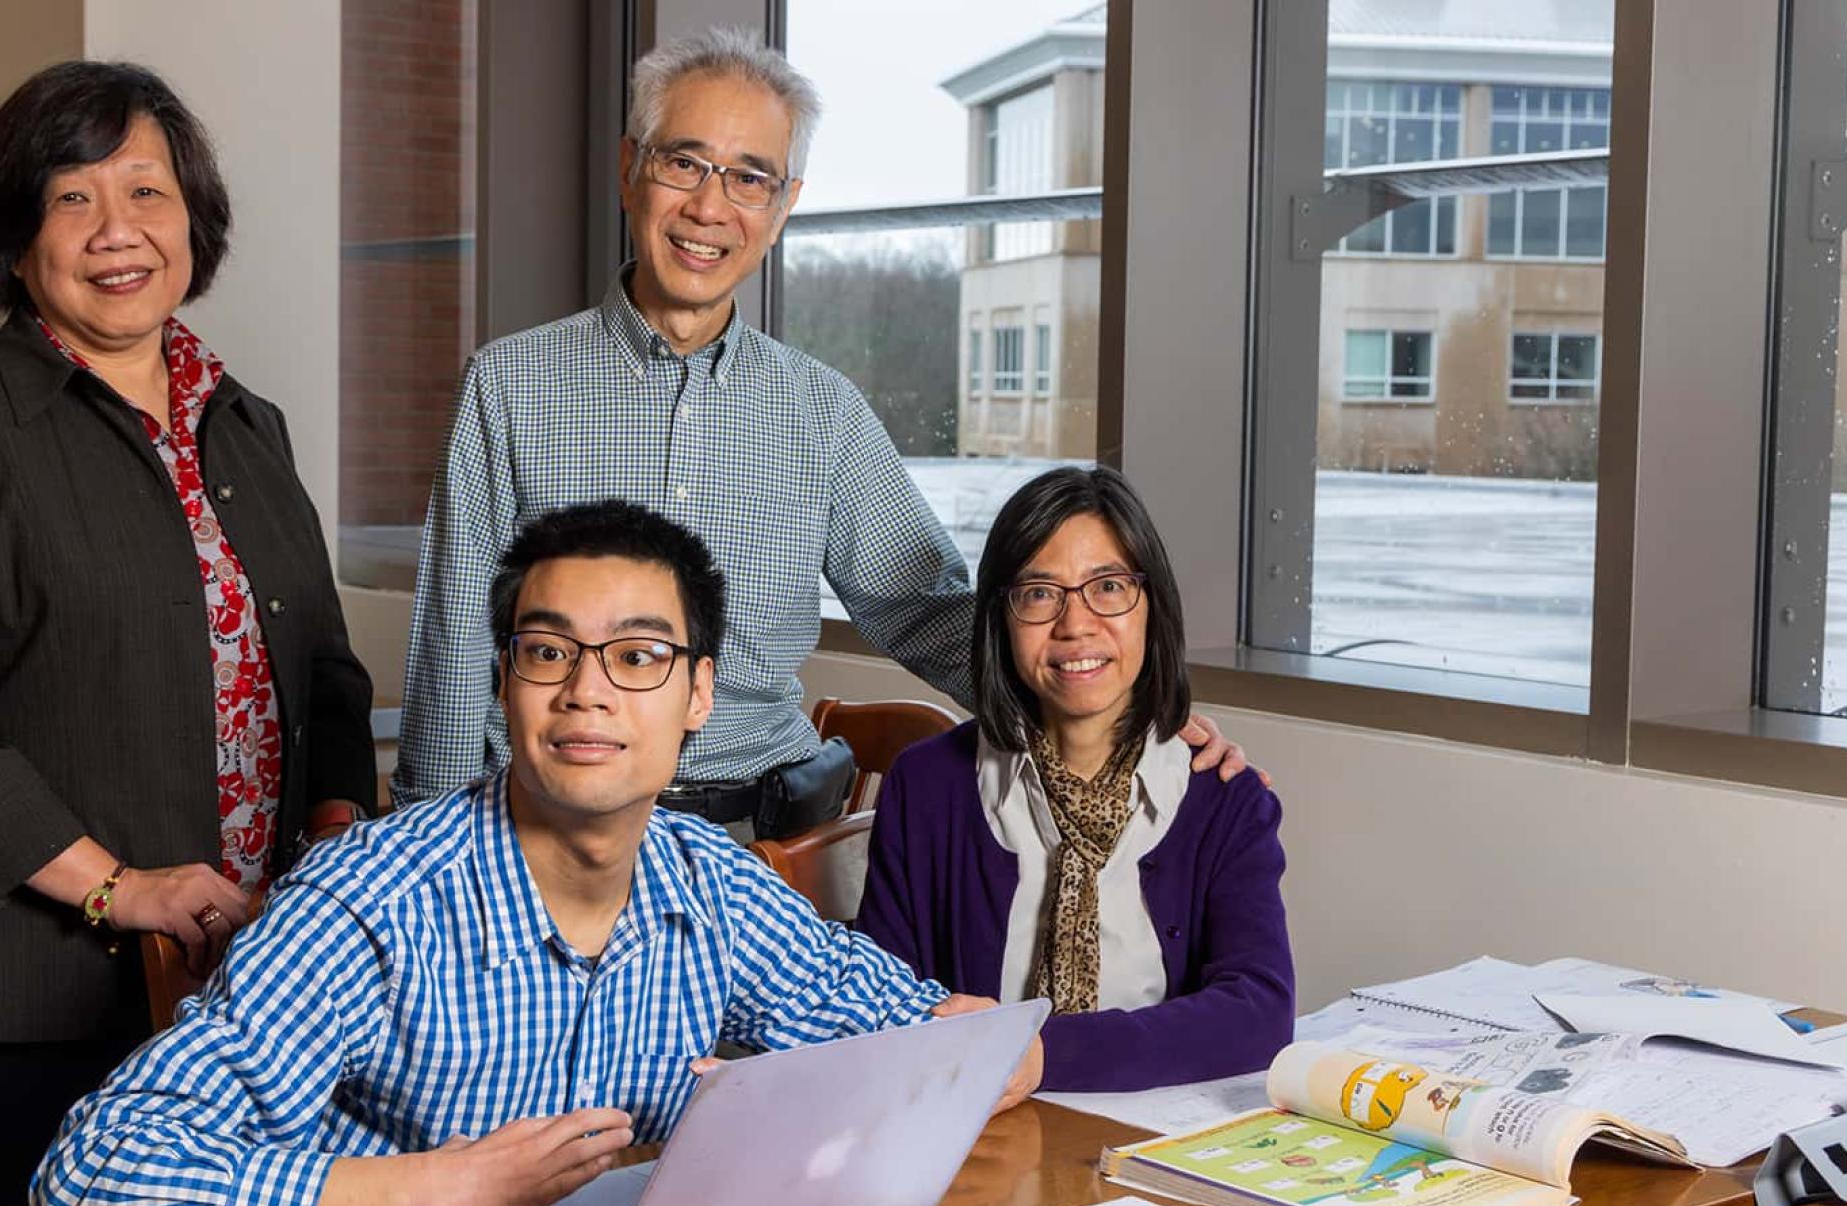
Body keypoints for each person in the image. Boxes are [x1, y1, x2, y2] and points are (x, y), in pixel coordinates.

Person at [32, 501, 1041, 1206]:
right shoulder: (368, 904)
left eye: (638, 656)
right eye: (547, 650)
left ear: (697, 695)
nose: (586, 691)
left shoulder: (711, 885)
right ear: (504, 682)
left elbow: (948, 1038)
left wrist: (976, 1053)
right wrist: (428, 1185)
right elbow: (94, 1172)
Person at [395, 29, 1253, 839]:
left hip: (765, 851)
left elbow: (927, 611)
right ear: (630, 170)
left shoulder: (823, 410)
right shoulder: (509, 386)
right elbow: (455, 638)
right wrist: (419, 846)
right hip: (549, 829)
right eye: (684, 162)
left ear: (784, 206)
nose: (709, 207)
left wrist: (1138, 719)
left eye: (749, 178)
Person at [0, 61, 375, 1206]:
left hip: (257, 978)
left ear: (194, 216)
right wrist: (118, 887)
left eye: (147, 189)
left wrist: (340, 824)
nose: (117, 231)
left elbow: (327, 671)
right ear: (17, 236)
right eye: (73, 198)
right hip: (45, 985)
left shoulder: (250, 422)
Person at [855, 467, 1293, 1093]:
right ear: (1001, 619)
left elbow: (1258, 1016)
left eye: (1108, 587)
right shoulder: (929, 788)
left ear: (1153, 608)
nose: (1075, 624)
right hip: (977, 1138)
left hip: (1152, 1150)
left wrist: (1040, 1056)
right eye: (1039, 593)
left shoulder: (1223, 798)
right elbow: (881, 1005)